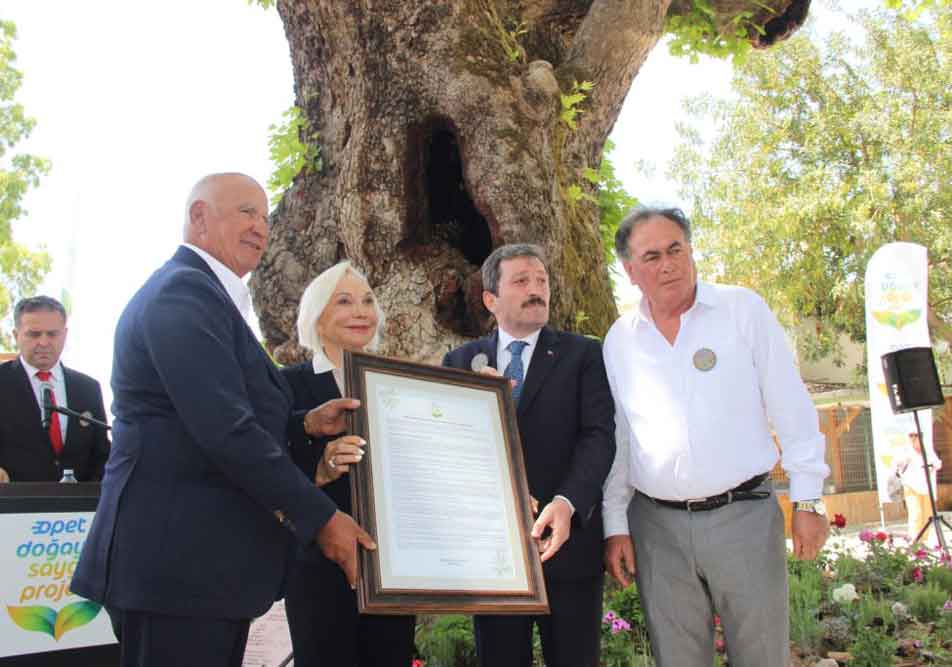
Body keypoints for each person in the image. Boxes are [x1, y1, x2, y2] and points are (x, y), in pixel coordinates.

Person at [70, 173, 375, 667]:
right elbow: (225, 429)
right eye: (245, 212)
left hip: (202, 573)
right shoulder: (181, 295)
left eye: (265, 216)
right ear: (199, 218)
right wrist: (322, 519)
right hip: (174, 571)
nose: (261, 226)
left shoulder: (208, 297)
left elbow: (220, 415)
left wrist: (303, 425)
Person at [602, 207, 831, 666]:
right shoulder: (620, 340)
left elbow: (792, 407)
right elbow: (621, 442)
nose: (668, 264)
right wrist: (616, 525)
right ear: (630, 271)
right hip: (656, 528)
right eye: (651, 256)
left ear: (690, 251)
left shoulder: (742, 310)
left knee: (761, 655)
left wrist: (808, 501)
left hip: (743, 517)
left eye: (676, 249)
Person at [442, 243, 615, 667]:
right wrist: (475, 404)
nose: (536, 289)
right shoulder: (461, 362)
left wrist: (567, 502)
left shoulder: (584, 354)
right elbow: (447, 451)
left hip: (568, 547)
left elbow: (599, 437)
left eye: (541, 280)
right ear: (490, 298)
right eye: (521, 281)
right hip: (493, 555)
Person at [281, 261, 415, 666]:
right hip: (318, 566)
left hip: (391, 566)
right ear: (317, 318)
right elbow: (271, 468)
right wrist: (319, 466)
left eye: (368, 301)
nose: (361, 311)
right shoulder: (288, 385)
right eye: (344, 301)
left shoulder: (400, 383)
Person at [0, 296, 110, 483]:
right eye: (34, 334)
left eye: (52, 334)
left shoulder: (87, 388)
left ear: (65, 334)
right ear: (16, 335)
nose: (44, 342)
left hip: (78, 509)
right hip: (13, 507)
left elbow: (101, 454)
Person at [898, 431, 942, 543]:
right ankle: (914, 540)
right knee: (915, 513)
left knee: (927, 514)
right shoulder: (905, 450)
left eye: (917, 436)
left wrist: (933, 466)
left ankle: (923, 541)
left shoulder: (928, 450)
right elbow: (898, 466)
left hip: (927, 487)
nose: (914, 438)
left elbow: (938, 463)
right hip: (911, 486)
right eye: (912, 436)